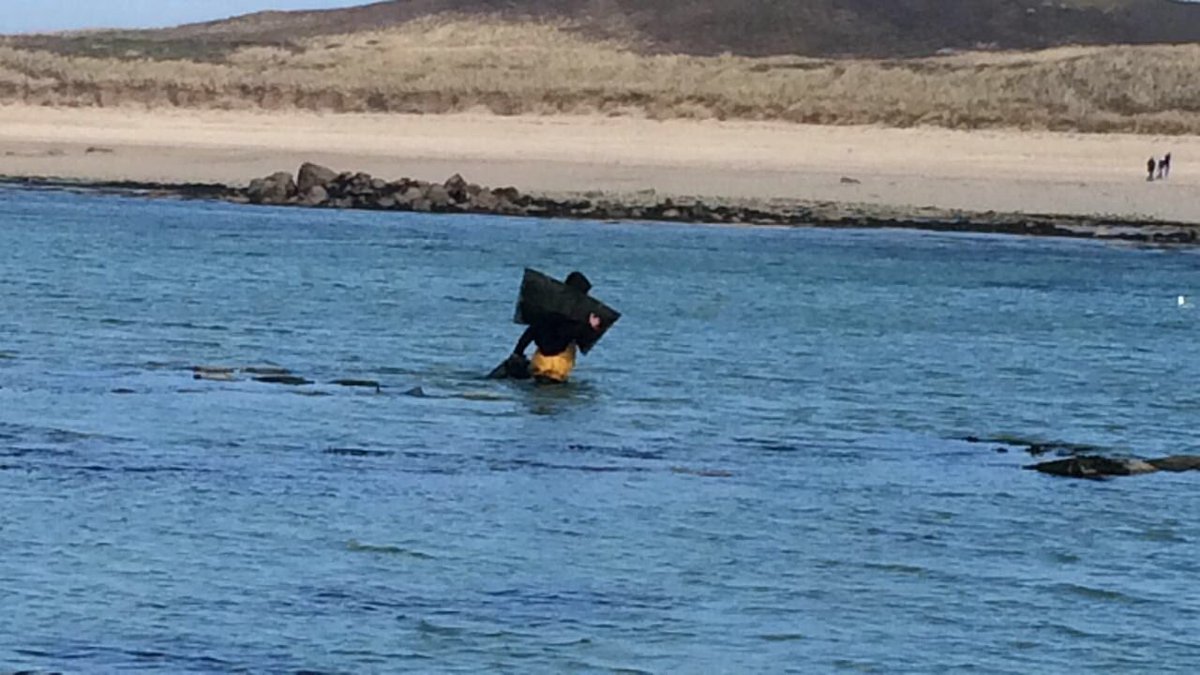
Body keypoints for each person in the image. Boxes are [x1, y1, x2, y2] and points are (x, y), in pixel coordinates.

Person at [510, 271, 602, 384]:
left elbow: (529, 333)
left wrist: (518, 352)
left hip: (539, 364)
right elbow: (578, 334)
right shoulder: (577, 315)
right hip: (559, 368)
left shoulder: (547, 309)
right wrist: (591, 326)